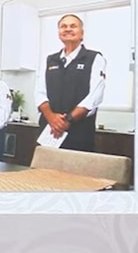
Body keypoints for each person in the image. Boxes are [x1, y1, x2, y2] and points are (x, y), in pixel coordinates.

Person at [34, 13, 107, 152]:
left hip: (79, 132)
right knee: (44, 172)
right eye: (63, 26)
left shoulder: (94, 58)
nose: (68, 29)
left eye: (73, 26)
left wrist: (67, 120)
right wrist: (51, 118)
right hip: (49, 131)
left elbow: (94, 96)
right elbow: (39, 92)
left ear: (82, 33)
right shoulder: (49, 60)